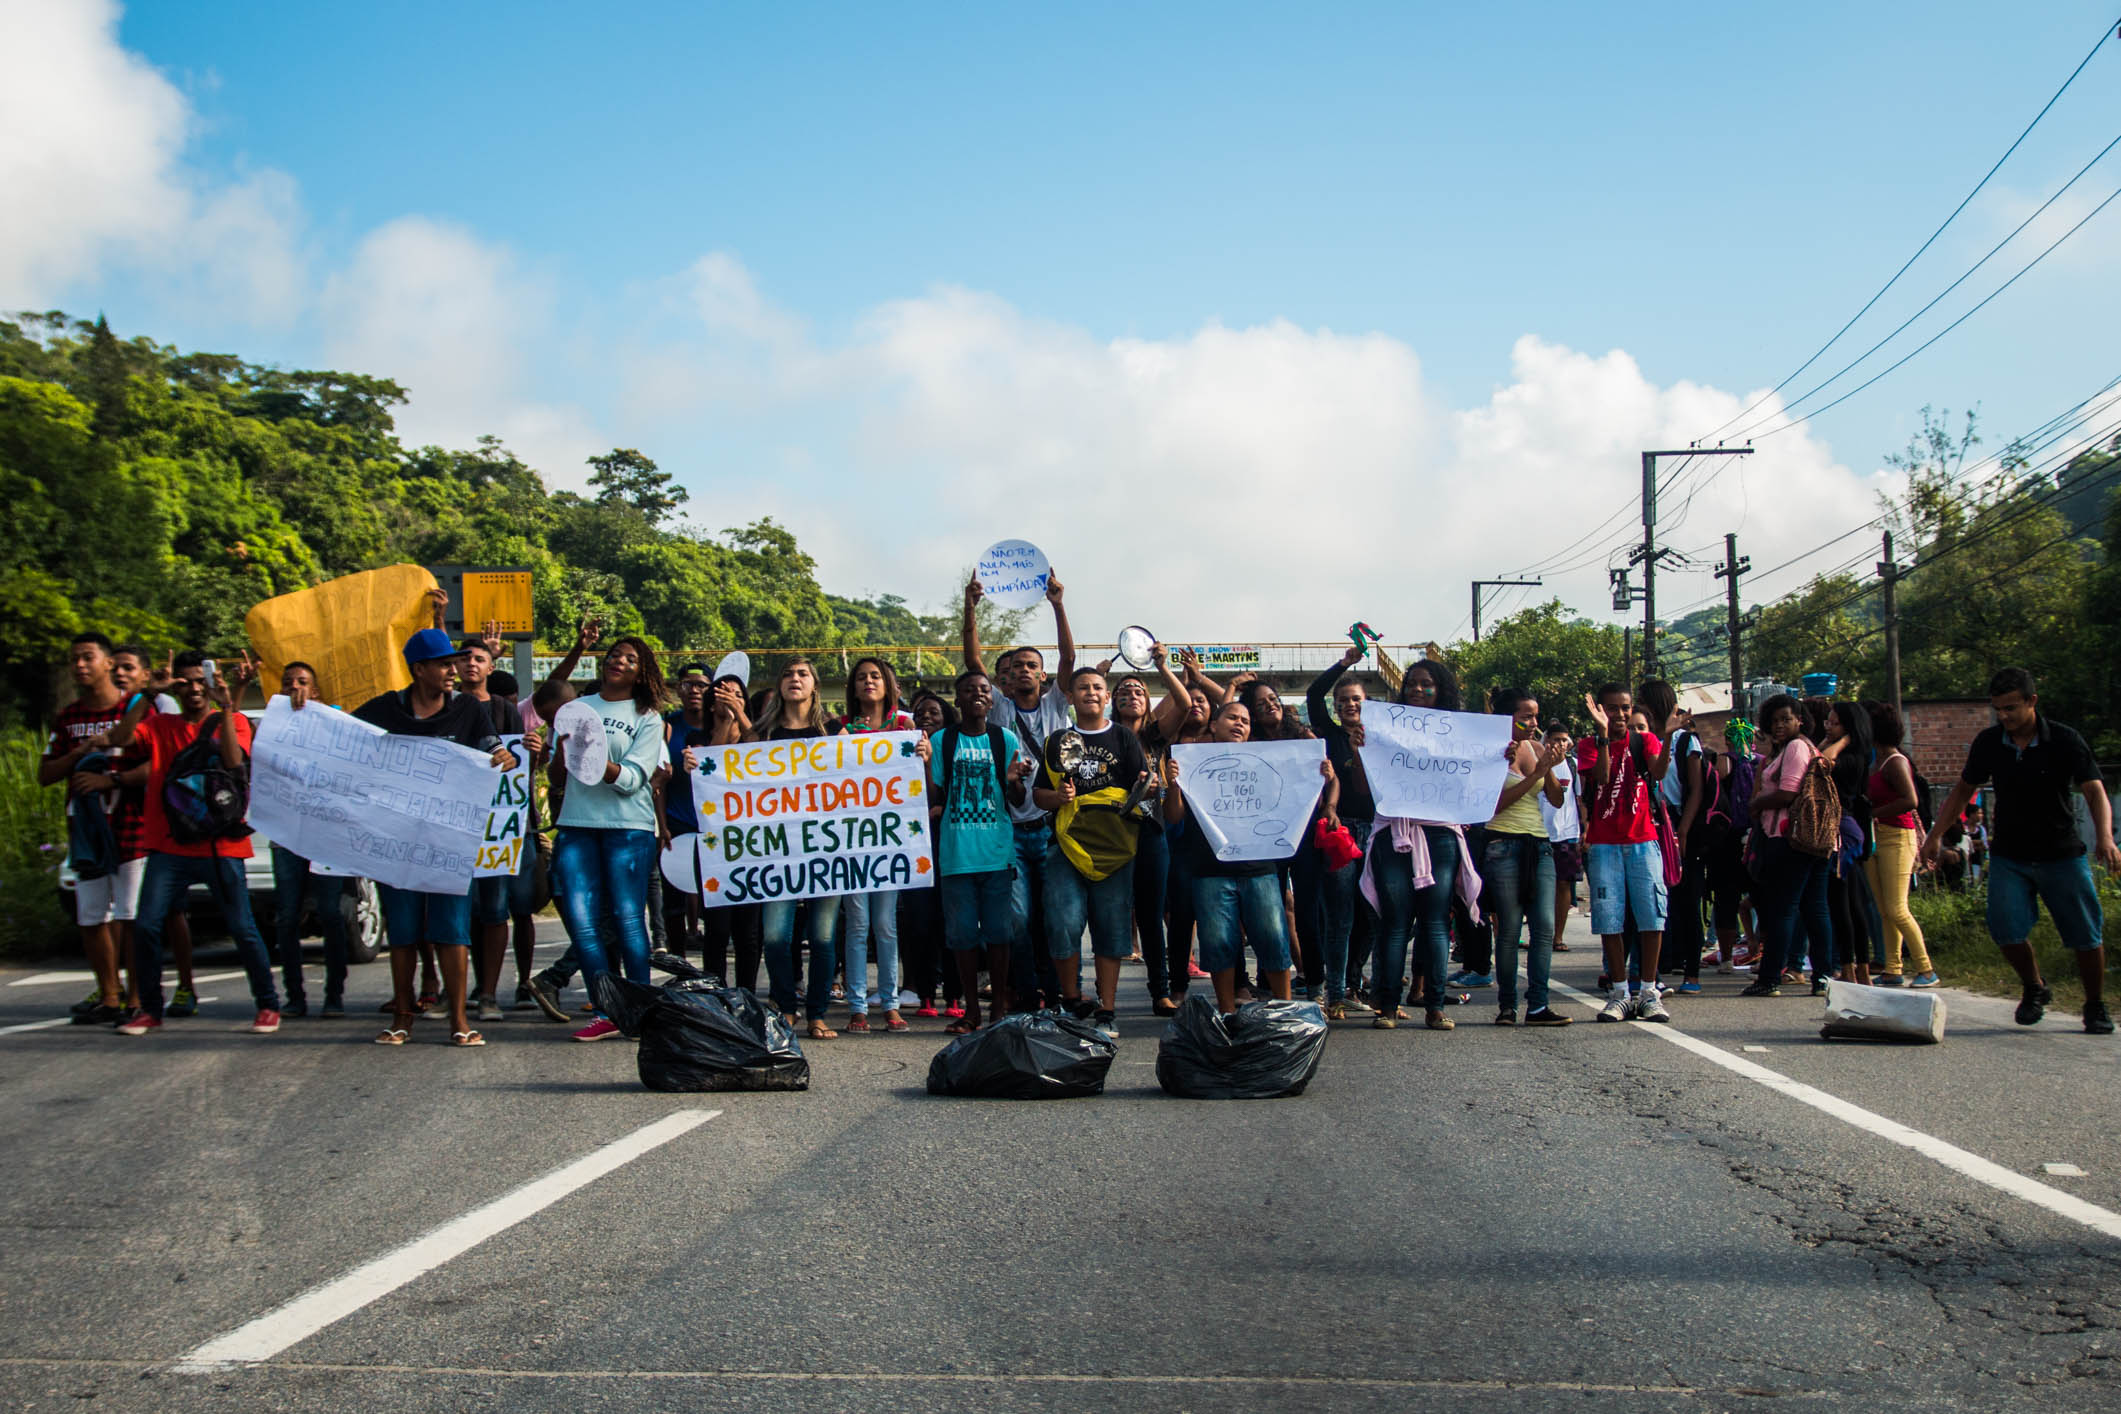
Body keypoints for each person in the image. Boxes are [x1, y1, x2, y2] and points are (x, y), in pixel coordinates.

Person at [346, 630, 523, 1045]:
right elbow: (342, 735)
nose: (453, 670)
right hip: (398, 842)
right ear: (419, 669)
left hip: (449, 841)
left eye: (453, 663)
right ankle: (402, 1017)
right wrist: (304, 709)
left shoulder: (467, 710)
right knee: (404, 931)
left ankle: (459, 1021)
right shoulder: (386, 709)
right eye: (443, 664)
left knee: (452, 930)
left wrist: (503, 756)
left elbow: (492, 748)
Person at [1922, 668, 2121, 1033]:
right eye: (1997, 709)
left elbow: (2094, 790)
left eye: (2011, 708)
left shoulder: (2065, 740)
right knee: (2004, 927)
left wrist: (2105, 837)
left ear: (2032, 701)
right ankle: (2034, 986)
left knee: (2085, 933)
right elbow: (1962, 791)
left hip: (2061, 853)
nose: (2004, 716)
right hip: (2010, 855)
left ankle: (2095, 1004)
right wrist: (1934, 835)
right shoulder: (1989, 743)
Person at [101, 651, 284, 1036]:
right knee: (147, 925)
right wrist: (148, 695)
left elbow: (234, 761)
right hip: (170, 844)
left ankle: (268, 1005)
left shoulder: (232, 720)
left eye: (201, 681)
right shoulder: (160, 724)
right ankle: (150, 1009)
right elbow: (119, 740)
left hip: (220, 845)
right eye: (185, 682)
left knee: (242, 927)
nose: (194, 689)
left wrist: (227, 706)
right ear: (176, 687)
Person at [1165, 699, 1334, 1016]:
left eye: (1245, 720)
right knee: (1218, 942)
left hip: (1259, 868)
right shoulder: (1191, 762)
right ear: (1214, 725)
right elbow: (1173, 817)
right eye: (1232, 717)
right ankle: (1227, 1012)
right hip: (1210, 870)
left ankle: (1285, 1009)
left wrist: (1319, 777)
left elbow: (1296, 797)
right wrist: (1173, 785)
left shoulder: (1266, 762)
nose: (1239, 723)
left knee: (1273, 937)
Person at [963, 570, 1076, 1012]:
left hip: (1052, 828)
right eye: (1015, 668)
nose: (1024, 671)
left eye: (1032, 665)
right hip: (1010, 830)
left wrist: (1058, 606)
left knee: (1054, 916)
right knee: (1018, 918)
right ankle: (1027, 996)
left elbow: (1069, 657)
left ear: (1043, 674)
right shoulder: (998, 709)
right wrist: (971, 606)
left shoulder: (1056, 704)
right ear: (1005, 679)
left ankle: (1059, 993)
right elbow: (974, 661)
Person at [1353, 658, 1483, 1031]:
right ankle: (1388, 1007)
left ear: (1441, 689)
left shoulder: (1458, 733)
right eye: (1411, 683)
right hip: (1394, 833)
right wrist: (1360, 751)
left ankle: (1435, 1006)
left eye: (1426, 683)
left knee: (1436, 922)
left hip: (1440, 835)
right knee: (1395, 923)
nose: (1417, 689)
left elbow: (1473, 779)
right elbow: (1362, 788)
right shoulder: (1384, 730)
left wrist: (1497, 759)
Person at [550, 638, 669, 1042]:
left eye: (631, 659)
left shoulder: (647, 717)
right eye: (615, 654)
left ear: (641, 672)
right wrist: (561, 753)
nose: (619, 660)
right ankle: (607, 1010)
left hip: (627, 827)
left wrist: (597, 762)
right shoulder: (576, 709)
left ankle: (639, 1010)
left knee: (628, 918)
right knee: (583, 923)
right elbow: (556, 777)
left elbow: (634, 779)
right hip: (576, 824)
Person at [1032, 667, 1150, 1040]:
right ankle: (1071, 1001)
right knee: (1062, 922)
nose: (1091, 692)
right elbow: (1039, 796)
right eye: (1082, 687)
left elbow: (1143, 786)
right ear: (1069, 697)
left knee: (1111, 928)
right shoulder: (1057, 741)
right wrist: (1058, 797)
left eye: (1098, 687)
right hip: (1066, 846)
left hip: (1115, 847)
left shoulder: (1123, 737)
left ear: (1107, 696)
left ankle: (1106, 1010)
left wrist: (1149, 785)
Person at [748, 659, 847, 1039]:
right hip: (776, 852)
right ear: (779, 685)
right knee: (775, 936)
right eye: (788, 674)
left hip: (826, 849)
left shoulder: (834, 732)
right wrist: (699, 765)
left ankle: (817, 1014)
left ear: (814, 686)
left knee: (823, 938)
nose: (795, 679)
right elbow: (731, 781)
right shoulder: (762, 734)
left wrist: (912, 753)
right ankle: (786, 1007)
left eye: (802, 674)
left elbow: (864, 772)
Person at [40, 633, 134, 1024]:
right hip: (86, 831)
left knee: (130, 915)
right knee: (92, 915)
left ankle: (138, 997)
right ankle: (109, 995)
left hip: (129, 826)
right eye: (74, 659)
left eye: (88, 657)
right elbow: (46, 773)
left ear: (109, 663)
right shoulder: (69, 717)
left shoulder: (134, 708)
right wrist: (79, 753)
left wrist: (111, 780)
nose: (80, 665)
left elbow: (155, 763)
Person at [833, 657, 930, 1033]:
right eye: (861, 677)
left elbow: (921, 780)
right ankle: (858, 1005)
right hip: (853, 838)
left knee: (885, 924)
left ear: (888, 684)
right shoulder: (842, 729)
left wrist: (924, 757)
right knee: (857, 924)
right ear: (853, 687)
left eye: (875, 676)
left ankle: (890, 1003)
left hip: (891, 839)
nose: (868, 682)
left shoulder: (905, 726)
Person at [932, 670, 1031, 1033]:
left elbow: (1017, 800)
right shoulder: (943, 741)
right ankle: (971, 1010)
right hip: (956, 856)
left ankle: (998, 1009)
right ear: (957, 700)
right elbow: (935, 795)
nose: (977, 694)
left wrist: (1015, 780)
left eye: (983, 690)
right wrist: (923, 765)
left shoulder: (1004, 738)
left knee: (1000, 933)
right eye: (968, 690)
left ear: (992, 700)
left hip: (996, 854)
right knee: (961, 936)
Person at [109, 644, 197, 1013]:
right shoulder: (119, 705)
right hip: (126, 819)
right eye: (114, 667)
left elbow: (167, 760)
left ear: (146, 674)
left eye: (128, 668)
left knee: (168, 911)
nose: (119, 674)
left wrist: (117, 779)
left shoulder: (165, 706)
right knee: (131, 913)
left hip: (166, 821)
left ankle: (183, 987)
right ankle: (120, 991)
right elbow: (118, 741)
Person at [1109, 644, 1196, 1013]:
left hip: (1151, 832)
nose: (1132, 695)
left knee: (1150, 914)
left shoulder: (1155, 737)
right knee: (1109, 912)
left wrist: (1162, 667)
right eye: (1124, 691)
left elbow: (1185, 705)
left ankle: (1160, 992)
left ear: (1148, 703)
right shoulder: (1104, 737)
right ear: (1113, 702)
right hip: (1111, 834)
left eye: (1139, 691)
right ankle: (1102, 997)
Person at [1577, 682, 1671, 1022]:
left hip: (1643, 840)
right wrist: (1604, 736)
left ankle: (1648, 991)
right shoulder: (1589, 745)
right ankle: (1619, 992)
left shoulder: (1645, 740)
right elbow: (1601, 779)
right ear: (1600, 711)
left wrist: (1668, 737)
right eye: (1612, 708)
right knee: (1609, 919)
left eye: (1625, 707)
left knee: (1651, 917)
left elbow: (1658, 773)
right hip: (1604, 845)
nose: (1619, 714)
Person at [266, 662, 353, 1017]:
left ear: (315, 692)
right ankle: (295, 996)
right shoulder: (272, 725)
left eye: (302, 682)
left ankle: (334, 995)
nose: (295, 688)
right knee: (287, 916)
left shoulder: (332, 722)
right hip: (287, 835)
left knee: (330, 913)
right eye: (288, 683)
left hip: (325, 836)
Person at [1481, 689, 1573, 1026]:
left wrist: (1548, 768)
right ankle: (1507, 1005)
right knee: (1508, 929)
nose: (1534, 723)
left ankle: (1538, 1005)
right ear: (1509, 718)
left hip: (1540, 845)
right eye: (1526, 717)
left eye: (1536, 716)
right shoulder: (1494, 751)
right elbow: (1492, 806)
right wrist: (1535, 774)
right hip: (1502, 844)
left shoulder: (1537, 748)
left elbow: (1556, 800)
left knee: (1544, 928)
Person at [453, 630, 530, 1023]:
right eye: (464, 657)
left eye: (479, 658)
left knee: (495, 909)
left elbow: (518, 766)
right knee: (458, 909)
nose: (471, 663)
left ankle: (488, 994)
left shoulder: (503, 709)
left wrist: (531, 753)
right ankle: (454, 992)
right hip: (454, 823)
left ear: (490, 667)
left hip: (498, 826)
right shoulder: (446, 707)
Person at [1742, 694, 1832, 999]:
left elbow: (1788, 793)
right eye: (1774, 721)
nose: (1779, 725)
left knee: (1783, 909)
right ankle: (1822, 977)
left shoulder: (1795, 748)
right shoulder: (1804, 748)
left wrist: (1757, 803)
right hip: (1815, 838)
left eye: (1786, 719)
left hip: (1790, 838)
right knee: (1815, 908)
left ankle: (1769, 979)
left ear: (1800, 721)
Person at [1306, 641, 1377, 1018]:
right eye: (1344, 700)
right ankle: (1334, 995)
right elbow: (1313, 693)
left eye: (1357, 699)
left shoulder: (1382, 740)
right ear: (1335, 707)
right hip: (1341, 832)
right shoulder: (1330, 737)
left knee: (1375, 913)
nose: (1350, 705)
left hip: (1380, 832)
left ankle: (1353, 982)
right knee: (1341, 915)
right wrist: (1343, 664)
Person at [1863, 702, 1938, 988]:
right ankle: (1892, 969)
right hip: (1877, 838)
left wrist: (1873, 813)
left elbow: (1910, 800)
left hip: (1897, 837)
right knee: (1884, 909)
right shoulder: (1876, 761)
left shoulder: (1895, 761)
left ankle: (1926, 969)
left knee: (1897, 908)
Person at [1539, 724, 1583, 957]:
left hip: (1567, 833)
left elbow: (1580, 799)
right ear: (1547, 740)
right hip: (1539, 831)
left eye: (1564, 740)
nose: (1560, 744)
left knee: (1564, 884)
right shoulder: (1536, 762)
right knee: (1537, 886)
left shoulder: (1573, 765)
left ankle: (1558, 936)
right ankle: (1539, 935)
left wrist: (1585, 830)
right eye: (1556, 739)